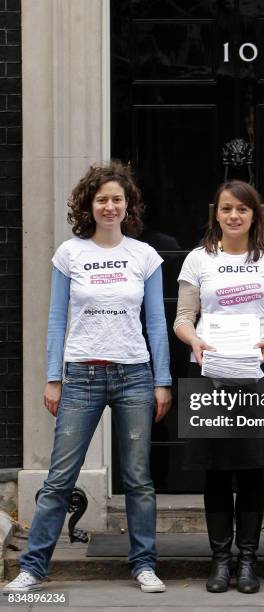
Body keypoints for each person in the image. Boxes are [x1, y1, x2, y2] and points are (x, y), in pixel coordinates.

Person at [3, 161, 172, 594]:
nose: (110, 206)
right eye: (102, 200)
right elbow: (57, 318)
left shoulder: (144, 256)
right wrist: (53, 376)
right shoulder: (70, 253)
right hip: (81, 375)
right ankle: (34, 567)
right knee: (60, 476)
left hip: (135, 374)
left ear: (127, 204)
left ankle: (144, 564)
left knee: (138, 478)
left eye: (117, 199)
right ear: (89, 205)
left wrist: (162, 379)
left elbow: (156, 322)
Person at [174, 180, 264, 594]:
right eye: (226, 209)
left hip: (258, 373)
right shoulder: (197, 260)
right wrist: (194, 341)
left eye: (242, 210)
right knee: (215, 471)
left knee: (250, 470)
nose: (233, 216)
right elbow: (183, 317)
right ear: (216, 214)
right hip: (207, 372)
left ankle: (248, 562)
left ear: (254, 216)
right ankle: (220, 561)